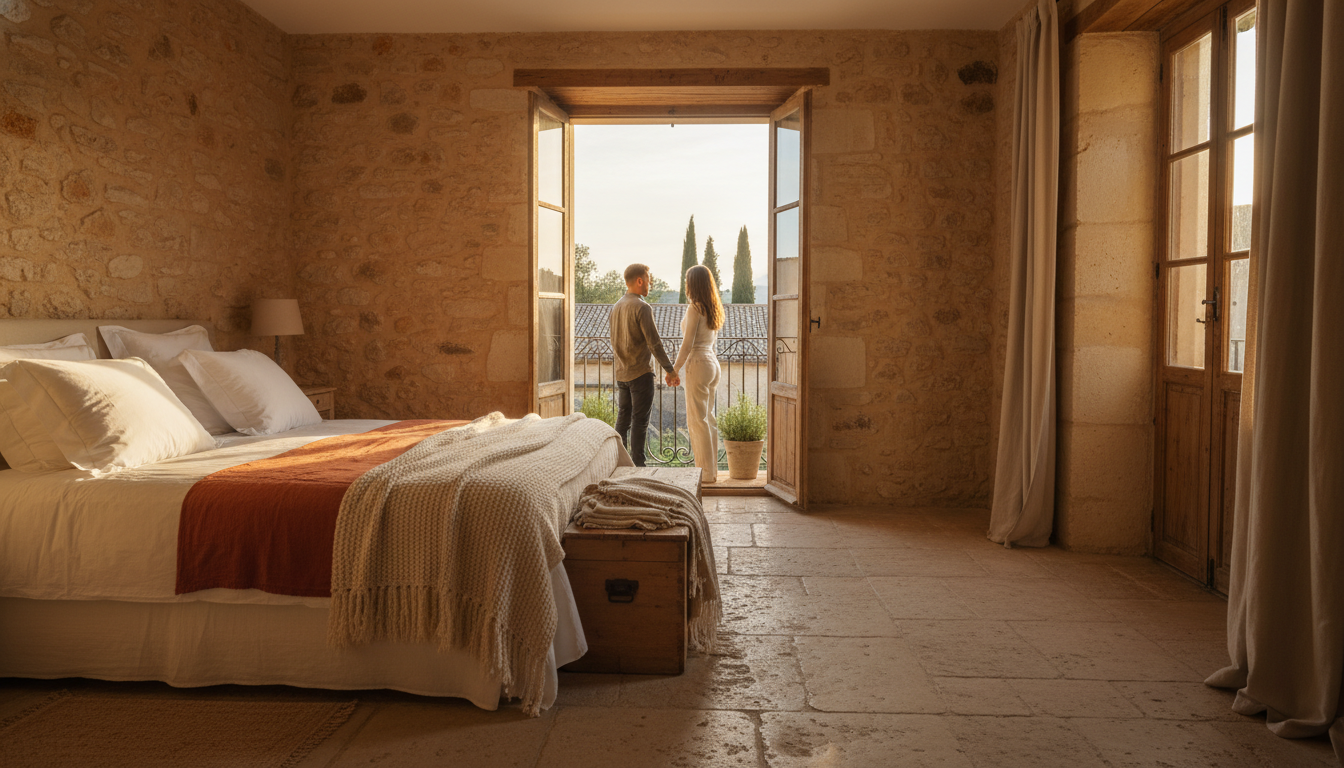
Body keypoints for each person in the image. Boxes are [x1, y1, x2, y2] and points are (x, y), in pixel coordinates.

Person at [610, 264, 678, 467]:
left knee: (623, 421)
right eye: (649, 279)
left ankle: (615, 463)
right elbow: (654, 343)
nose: (651, 283)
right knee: (640, 423)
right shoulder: (642, 307)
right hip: (640, 374)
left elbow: (614, 341)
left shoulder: (617, 306)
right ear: (640, 281)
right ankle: (638, 468)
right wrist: (670, 370)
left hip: (622, 374)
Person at [672, 264, 723, 484]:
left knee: (697, 420)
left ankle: (703, 475)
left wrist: (674, 369)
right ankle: (712, 472)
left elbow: (687, 344)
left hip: (699, 363)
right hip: (712, 363)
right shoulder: (713, 307)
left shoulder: (694, 308)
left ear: (692, 283)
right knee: (708, 418)